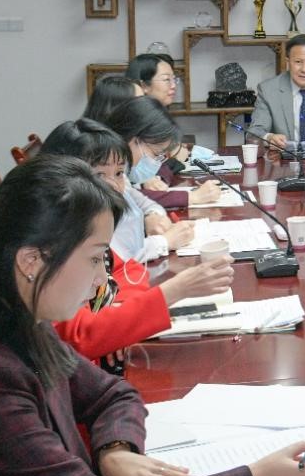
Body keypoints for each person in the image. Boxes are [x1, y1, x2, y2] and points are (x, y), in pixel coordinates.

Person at [0, 156, 305, 476]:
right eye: (93, 259)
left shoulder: (20, 318)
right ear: (31, 261)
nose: (102, 279)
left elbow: (111, 394)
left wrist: (115, 449)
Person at [41, 119, 235, 361]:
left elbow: (129, 271)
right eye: (99, 174)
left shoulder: (89, 225)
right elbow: (80, 335)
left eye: (119, 173)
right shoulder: (51, 242)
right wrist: (177, 289)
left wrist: (117, 324)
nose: (114, 186)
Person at [85, 76, 220, 209]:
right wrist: (191, 197)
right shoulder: (98, 159)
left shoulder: (121, 153)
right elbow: (125, 200)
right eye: (138, 102)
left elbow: (135, 197)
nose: (144, 106)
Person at [104, 97, 197, 262]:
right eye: (156, 154)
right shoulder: (102, 177)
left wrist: (153, 216)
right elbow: (115, 257)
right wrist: (165, 242)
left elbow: (143, 202)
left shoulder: (120, 173)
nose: (156, 162)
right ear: (134, 140)